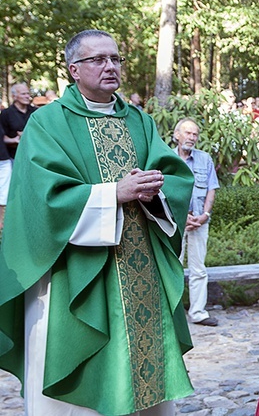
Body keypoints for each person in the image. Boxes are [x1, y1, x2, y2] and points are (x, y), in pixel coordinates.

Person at [0, 29, 195, 415]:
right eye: (98, 59)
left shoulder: (139, 121)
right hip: (75, 273)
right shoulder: (47, 124)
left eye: (115, 59)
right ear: (74, 69)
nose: (110, 66)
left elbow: (174, 177)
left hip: (139, 268)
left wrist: (156, 190)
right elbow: (42, 200)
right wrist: (111, 195)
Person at [174, 118, 220, 327]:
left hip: (200, 221)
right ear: (177, 135)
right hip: (173, 223)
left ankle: (198, 313)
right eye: (187, 133)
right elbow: (162, 192)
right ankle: (172, 313)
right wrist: (181, 218)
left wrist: (205, 215)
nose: (192, 137)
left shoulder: (205, 159)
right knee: (173, 266)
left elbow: (212, 188)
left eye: (195, 134)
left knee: (198, 268)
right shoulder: (166, 158)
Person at [1, 82, 37, 158]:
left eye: (28, 93)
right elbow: (3, 137)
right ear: (14, 96)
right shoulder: (6, 113)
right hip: (15, 156)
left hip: (35, 153)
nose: (27, 96)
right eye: (23, 94)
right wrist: (15, 140)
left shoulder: (35, 111)